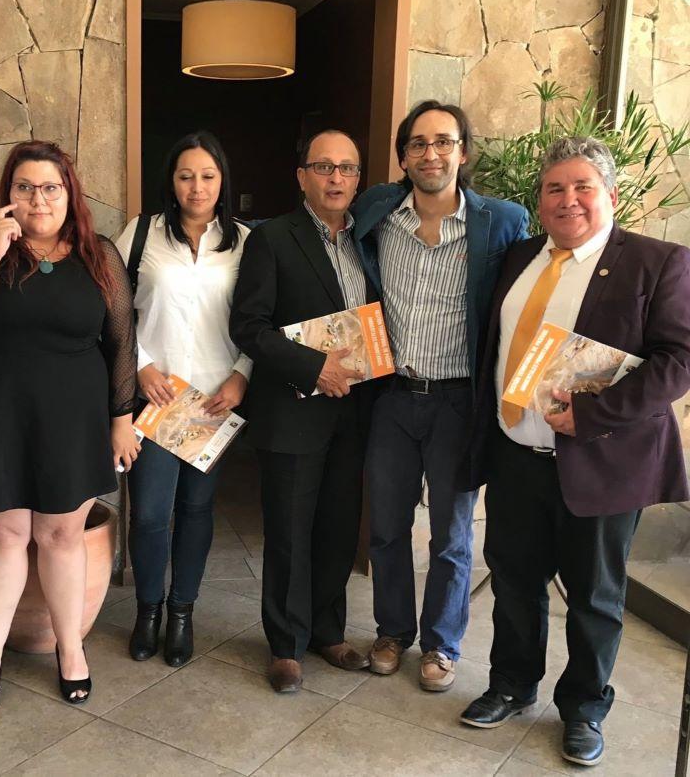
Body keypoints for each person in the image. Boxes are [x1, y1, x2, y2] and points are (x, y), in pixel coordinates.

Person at [458, 136, 690, 767]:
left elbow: (679, 361)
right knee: (514, 582)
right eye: (555, 188)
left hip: (601, 463)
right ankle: (510, 684)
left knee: (595, 597)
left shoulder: (656, 261)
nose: (568, 200)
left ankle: (585, 708)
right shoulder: (522, 256)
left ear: (610, 195)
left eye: (582, 186)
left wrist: (588, 414)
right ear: (540, 202)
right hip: (515, 456)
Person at [0, 140, 139, 712]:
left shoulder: (99, 254)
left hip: (73, 417)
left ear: (69, 192)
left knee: (63, 535)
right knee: (4, 535)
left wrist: (123, 418)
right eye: (25, 187)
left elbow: (121, 342)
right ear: (8, 192)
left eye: (50, 187)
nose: (38, 199)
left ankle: (72, 651)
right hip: (0, 414)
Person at [352, 101, 528, 690]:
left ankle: (442, 645)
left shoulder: (501, 222)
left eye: (444, 142)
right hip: (394, 398)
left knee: (452, 534)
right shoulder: (375, 210)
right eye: (419, 144)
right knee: (387, 526)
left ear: (463, 151)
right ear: (403, 156)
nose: (432, 154)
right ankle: (392, 631)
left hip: (459, 400)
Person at [230, 129, 374, 693]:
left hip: (356, 410)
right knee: (290, 530)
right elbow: (249, 326)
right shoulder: (271, 239)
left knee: (339, 527)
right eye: (323, 167)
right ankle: (285, 645)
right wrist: (312, 368)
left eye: (347, 169)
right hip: (293, 409)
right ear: (301, 176)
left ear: (359, 179)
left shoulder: (371, 237)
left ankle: (326, 631)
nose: (336, 178)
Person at [116, 131, 251, 667]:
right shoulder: (140, 234)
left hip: (214, 400)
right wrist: (141, 365)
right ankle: (148, 609)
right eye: (186, 175)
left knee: (196, 510)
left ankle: (181, 613)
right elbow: (116, 310)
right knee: (150, 513)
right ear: (171, 182)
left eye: (208, 176)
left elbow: (256, 320)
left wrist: (242, 376)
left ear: (222, 181)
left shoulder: (243, 242)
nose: (197, 187)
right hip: (157, 397)